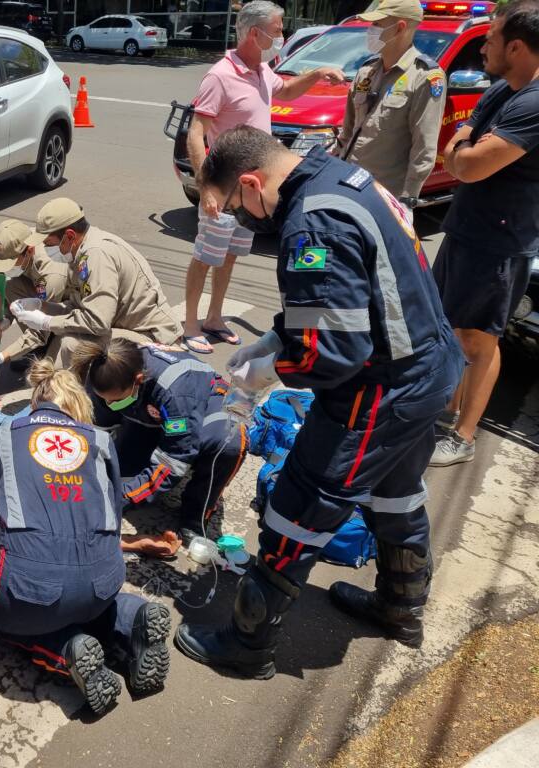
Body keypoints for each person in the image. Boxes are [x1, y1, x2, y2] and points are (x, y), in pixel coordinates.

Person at [174, 126, 463, 679]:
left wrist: (275, 366)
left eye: (236, 208)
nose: (242, 221)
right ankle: (400, 610)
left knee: (298, 505)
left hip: (380, 391)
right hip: (426, 369)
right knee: (395, 495)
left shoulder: (311, 224)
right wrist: (282, 333)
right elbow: (346, 297)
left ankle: (247, 645)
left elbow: (333, 352)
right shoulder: (339, 176)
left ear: (253, 183)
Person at [0, 292, 172, 714]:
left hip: (30, 591)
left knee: (3, 615)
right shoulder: (101, 442)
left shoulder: (4, 437)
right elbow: (108, 518)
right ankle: (132, 616)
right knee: (87, 596)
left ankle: (65, 649)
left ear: (36, 403)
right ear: (79, 409)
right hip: (103, 582)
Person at [183, 1, 344, 355]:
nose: (281, 35)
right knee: (206, 255)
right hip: (224, 188)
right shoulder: (220, 75)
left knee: (230, 255)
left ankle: (214, 317)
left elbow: (284, 91)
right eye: (277, 28)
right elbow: (196, 132)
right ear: (255, 33)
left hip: (251, 192)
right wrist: (206, 185)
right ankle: (191, 323)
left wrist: (316, 75)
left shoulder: (262, 69)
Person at [429, 0, 539, 467]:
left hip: (500, 240)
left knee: (479, 339)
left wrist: (460, 150)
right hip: (467, 229)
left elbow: (469, 164)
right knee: (449, 327)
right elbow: (465, 137)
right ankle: (443, 413)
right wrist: (463, 147)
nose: (483, 50)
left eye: (491, 40)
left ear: (516, 46)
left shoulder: (534, 102)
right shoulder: (503, 89)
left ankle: (464, 435)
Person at [70, 338, 247, 544]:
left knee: (229, 443)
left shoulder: (176, 393)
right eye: (104, 399)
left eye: (115, 400)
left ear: (138, 380)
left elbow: (174, 460)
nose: (108, 404)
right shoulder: (102, 373)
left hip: (203, 404)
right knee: (122, 474)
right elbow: (97, 433)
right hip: (149, 414)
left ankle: (195, 517)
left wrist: (122, 499)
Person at [9, 198, 180, 369]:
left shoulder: (96, 255)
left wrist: (47, 322)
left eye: (49, 244)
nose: (46, 250)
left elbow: (97, 322)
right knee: (57, 356)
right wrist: (42, 306)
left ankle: (86, 395)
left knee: (71, 345)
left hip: (151, 337)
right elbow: (80, 306)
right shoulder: (81, 251)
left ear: (69, 236)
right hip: (122, 326)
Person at [336, 0, 446, 210]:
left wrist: (408, 198)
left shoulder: (424, 77)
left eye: (377, 24)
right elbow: (348, 131)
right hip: (348, 183)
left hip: (385, 195)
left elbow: (424, 146)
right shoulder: (367, 71)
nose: (371, 30)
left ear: (400, 27)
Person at [0, 219, 69, 364]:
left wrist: (2, 356)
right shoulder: (18, 246)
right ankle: (36, 348)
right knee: (11, 287)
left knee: (51, 369)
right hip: (45, 293)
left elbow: (40, 330)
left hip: (68, 306)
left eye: (10, 263)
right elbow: (0, 279)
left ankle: (44, 347)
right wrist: (4, 318)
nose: (6, 269)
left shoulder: (50, 274)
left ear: (29, 250)